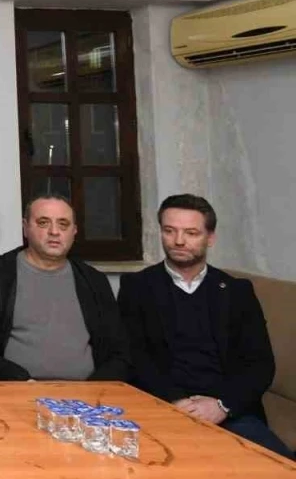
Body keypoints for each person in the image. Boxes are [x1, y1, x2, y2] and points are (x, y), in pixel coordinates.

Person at [119, 194, 292, 458]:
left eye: (191, 233)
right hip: (162, 406)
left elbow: (260, 364)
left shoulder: (237, 291)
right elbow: (134, 356)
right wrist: (175, 401)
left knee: (283, 471)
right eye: (169, 231)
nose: (179, 241)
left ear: (210, 238)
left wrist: (222, 405)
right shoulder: (137, 287)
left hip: (230, 412)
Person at [0, 194, 128, 381]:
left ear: (74, 231)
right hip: (17, 390)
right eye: (43, 223)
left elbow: (119, 352)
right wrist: (19, 380)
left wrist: (95, 388)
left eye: (63, 224)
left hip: (86, 393)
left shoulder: (94, 281)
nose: (54, 232)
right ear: (25, 228)